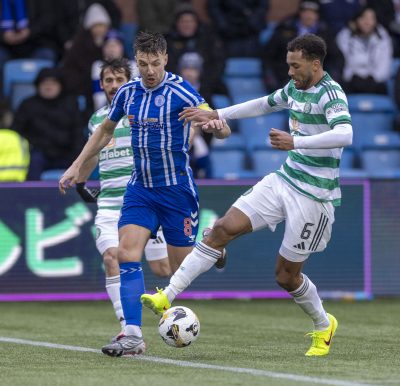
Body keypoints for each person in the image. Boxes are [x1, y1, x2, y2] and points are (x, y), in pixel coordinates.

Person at [141, 33, 353, 357]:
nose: (290, 72)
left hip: (315, 197)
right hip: (285, 180)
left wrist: (296, 142)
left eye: (295, 66)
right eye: (288, 65)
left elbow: (345, 133)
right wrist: (217, 114)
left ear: (315, 63)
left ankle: (324, 325)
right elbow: (263, 104)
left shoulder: (331, 93)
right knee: (221, 229)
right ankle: (166, 296)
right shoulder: (294, 88)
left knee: (286, 276)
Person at [59, 31, 230, 357]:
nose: (149, 70)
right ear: (136, 62)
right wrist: (76, 166)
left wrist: (215, 125)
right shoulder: (128, 92)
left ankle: (213, 246)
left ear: (165, 59)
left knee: (179, 268)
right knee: (125, 254)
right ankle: (133, 335)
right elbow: (104, 131)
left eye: (155, 63)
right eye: (143, 64)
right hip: (140, 190)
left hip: (176, 191)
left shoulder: (182, 90)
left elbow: (223, 128)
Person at [76, 58, 170, 335]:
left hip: (144, 201)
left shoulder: (145, 111)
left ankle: (210, 244)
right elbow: (93, 154)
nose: (114, 85)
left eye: (119, 79)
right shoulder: (97, 119)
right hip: (110, 203)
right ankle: (128, 331)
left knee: (163, 269)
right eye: (108, 80)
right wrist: (81, 181)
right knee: (111, 258)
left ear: (130, 82)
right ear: (102, 85)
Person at [12, 67, 83, 180]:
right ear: (38, 85)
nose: (48, 86)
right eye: (44, 83)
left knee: (83, 160)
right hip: (38, 153)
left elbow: (78, 132)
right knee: (34, 160)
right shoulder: (28, 104)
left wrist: (78, 156)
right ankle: (31, 191)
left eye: (53, 83)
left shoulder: (71, 103)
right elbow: (16, 132)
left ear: (60, 85)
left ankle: (77, 191)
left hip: (66, 152)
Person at [336, 7, 393, 94]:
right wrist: (353, 77)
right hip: (351, 81)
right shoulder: (345, 36)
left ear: (376, 22)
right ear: (357, 20)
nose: (367, 22)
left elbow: (384, 66)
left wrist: (373, 78)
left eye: (371, 18)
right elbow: (343, 63)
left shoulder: (383, 38)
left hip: (376, 82)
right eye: (364, 18)